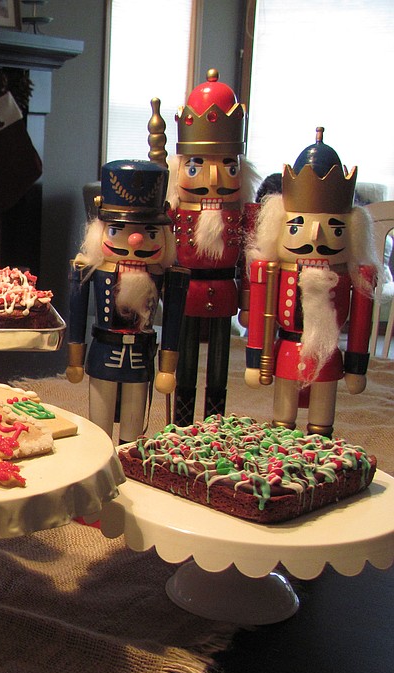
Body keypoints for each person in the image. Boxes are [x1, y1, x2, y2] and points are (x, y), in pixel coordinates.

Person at [244, 127, 380, 436]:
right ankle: (282, 442)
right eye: (299, 227)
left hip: (329, 355)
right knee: (283, 417)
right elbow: (260, 311)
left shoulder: (356, 275)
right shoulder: (272, 270)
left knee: (321, 418)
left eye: (334, 228)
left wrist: (356, 366)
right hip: (287, 351)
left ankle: (320, 444)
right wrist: (255, 359)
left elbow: (360, 321)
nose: (316, 236)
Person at [67, 159, 189, 443]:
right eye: (117, 230)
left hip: (141, 357)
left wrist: (167, 367)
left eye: (149, 233)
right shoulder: (91, 269)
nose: (134, 240)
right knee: (100, 424)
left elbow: (173, 317)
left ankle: (130, 461)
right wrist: (75, 359)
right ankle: (101, 456)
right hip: (103, 353)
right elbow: (77, 310)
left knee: (134, 426)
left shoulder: (164, 274)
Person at [166, 69, 261, 425]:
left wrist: (250, 303)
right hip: (187, 293)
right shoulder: (176, 210)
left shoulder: (244, 213)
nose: (215, 179)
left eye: (228, 165)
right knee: (185, 364)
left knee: (220, 367)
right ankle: (183, 424)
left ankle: (215, 424)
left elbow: (251, 260)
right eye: (197, 166)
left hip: (225, 294)